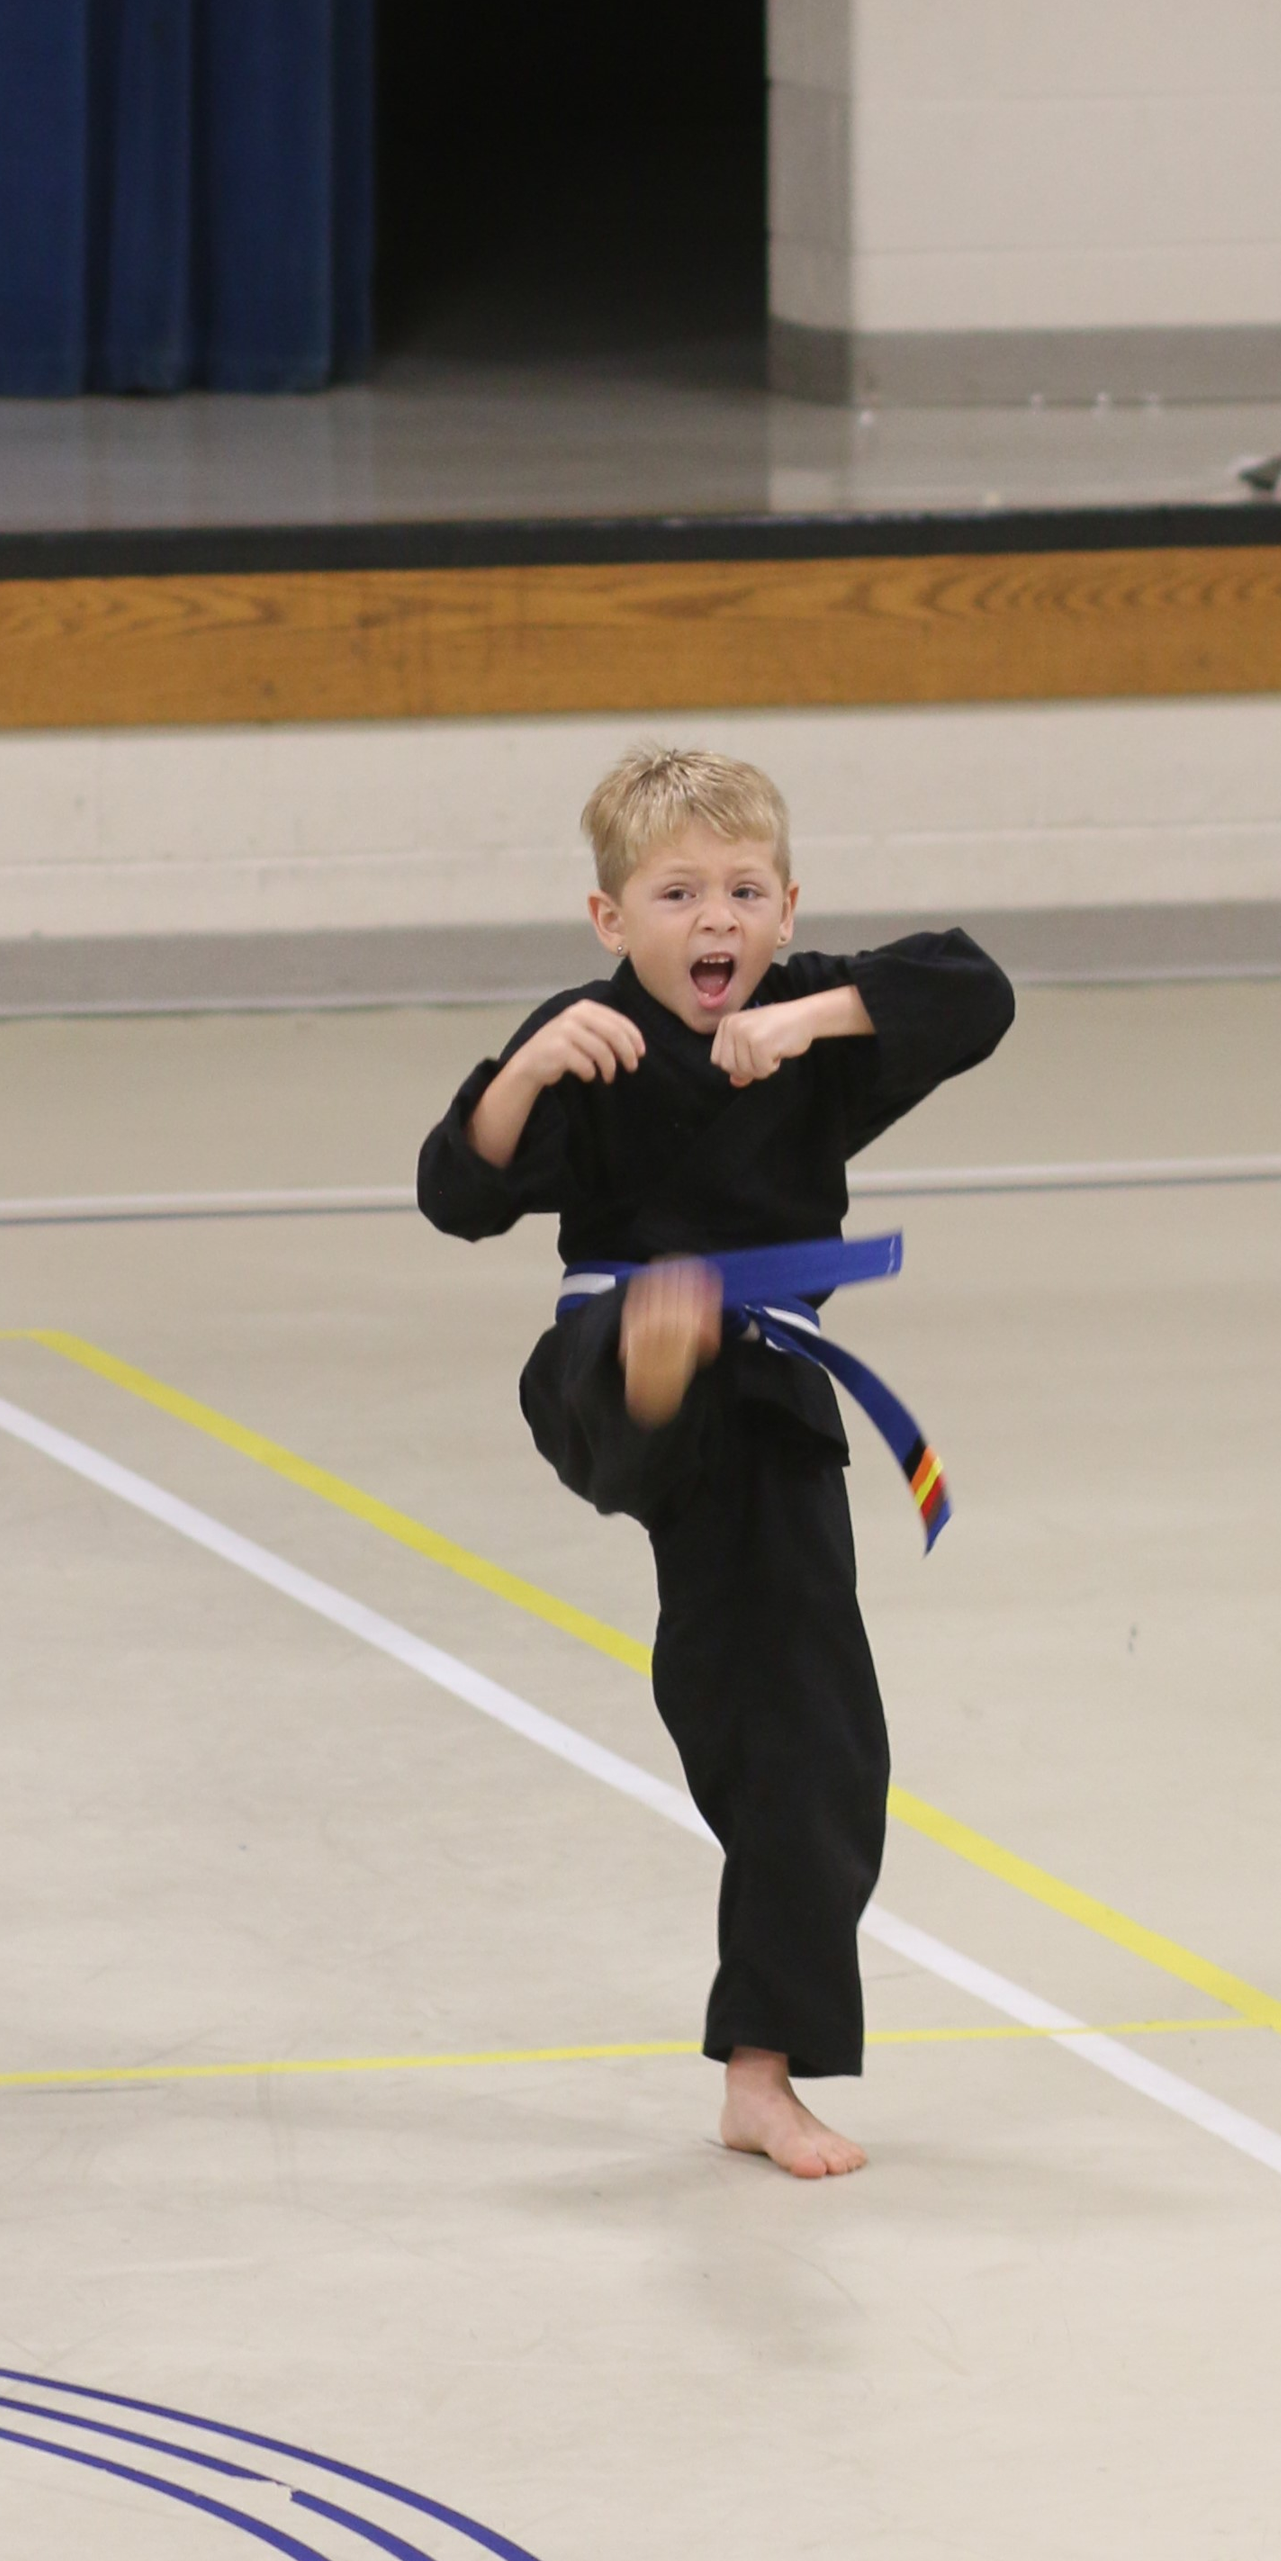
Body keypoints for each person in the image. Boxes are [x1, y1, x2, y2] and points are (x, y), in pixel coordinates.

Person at [417, 747, 1015, 2177]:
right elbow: (457, 1193)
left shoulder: (818, 1032)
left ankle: (762, 2073)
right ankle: (655, 1351)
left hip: (763, 1394)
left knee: (809, 1738)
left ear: (788, 905)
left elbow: (977, 989)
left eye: (746, 892)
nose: (717, 921)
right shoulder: (590, 1033)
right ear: (611, 919)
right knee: (650, 1322)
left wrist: (807, 1021)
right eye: (678, 894)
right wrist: (517, 1078)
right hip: (599, 1364)